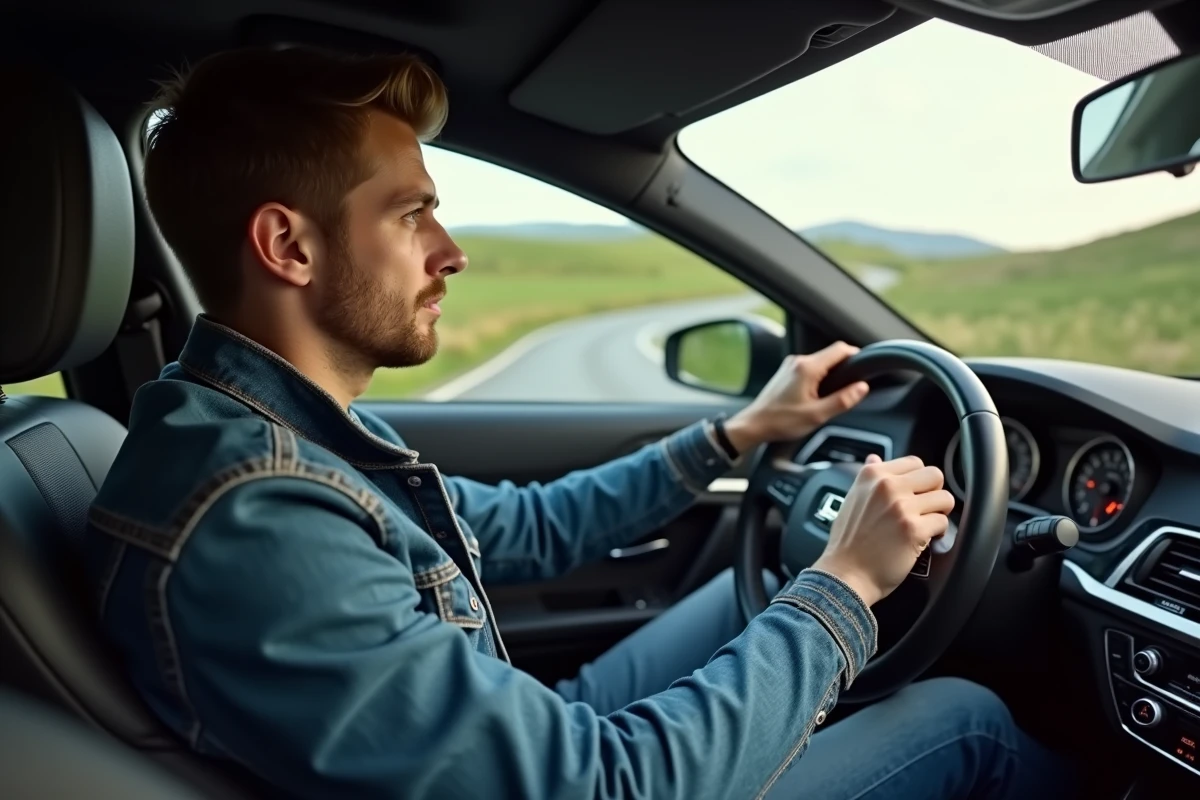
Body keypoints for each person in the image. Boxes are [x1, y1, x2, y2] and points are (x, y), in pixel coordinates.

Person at [82, 46, 1076, 799]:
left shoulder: (270, 441)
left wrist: (739, 433)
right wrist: (846, 583)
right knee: (967, 720)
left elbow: (524, 527)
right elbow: (603, 784)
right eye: (410, 213)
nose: (452, 250)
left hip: (531, 744)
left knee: (753, 595)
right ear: (286, 245)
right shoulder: (258, 520)